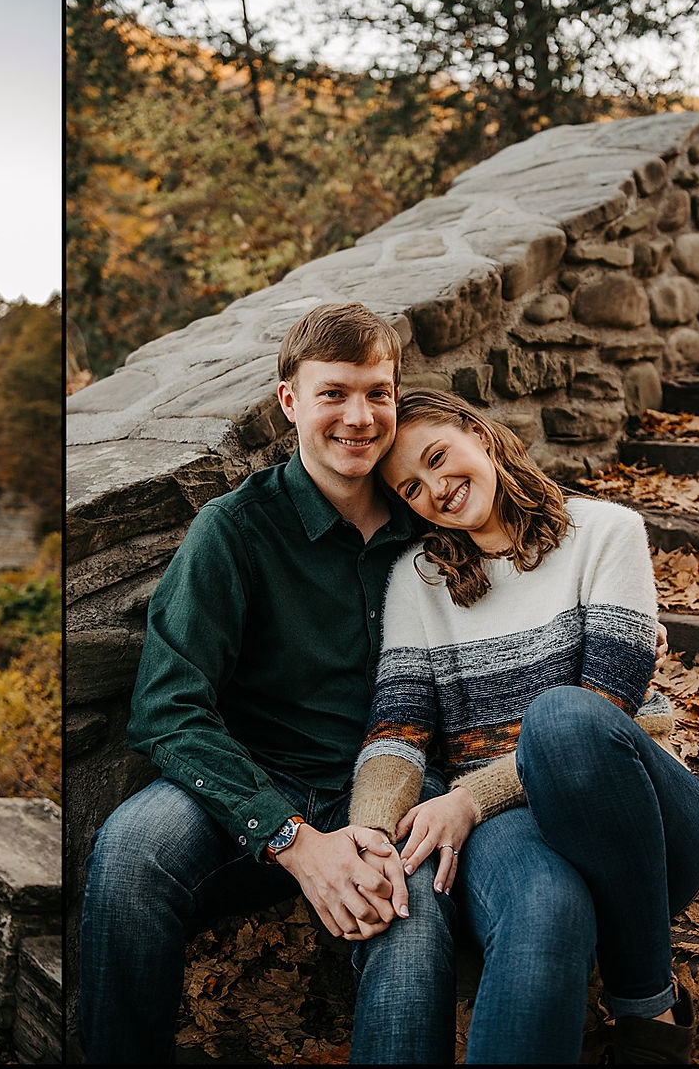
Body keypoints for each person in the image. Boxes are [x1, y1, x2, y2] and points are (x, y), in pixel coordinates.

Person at [78, 303, 462, 1064]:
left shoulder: (433, 515)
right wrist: (292, 841)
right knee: (129, 854)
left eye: (378, 393)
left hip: (398, 788)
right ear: (289, 401)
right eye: (334, 394)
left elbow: (530, 537)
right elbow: (166, 708)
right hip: (256, 780)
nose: (360, 417)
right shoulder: (233, 529)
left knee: (413, 929)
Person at [349, 388, 699, 1064]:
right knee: (544, 910)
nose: (437, 488)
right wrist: (371, 833)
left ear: (478, 434)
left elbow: (605, 706)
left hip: (646, 826)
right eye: (412, 486)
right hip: (515, 837)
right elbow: (397, 729)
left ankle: (646, 1004)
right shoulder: (417, 581)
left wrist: (468, 798)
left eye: (439, 457)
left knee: (563, 719)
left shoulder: (608, 533)